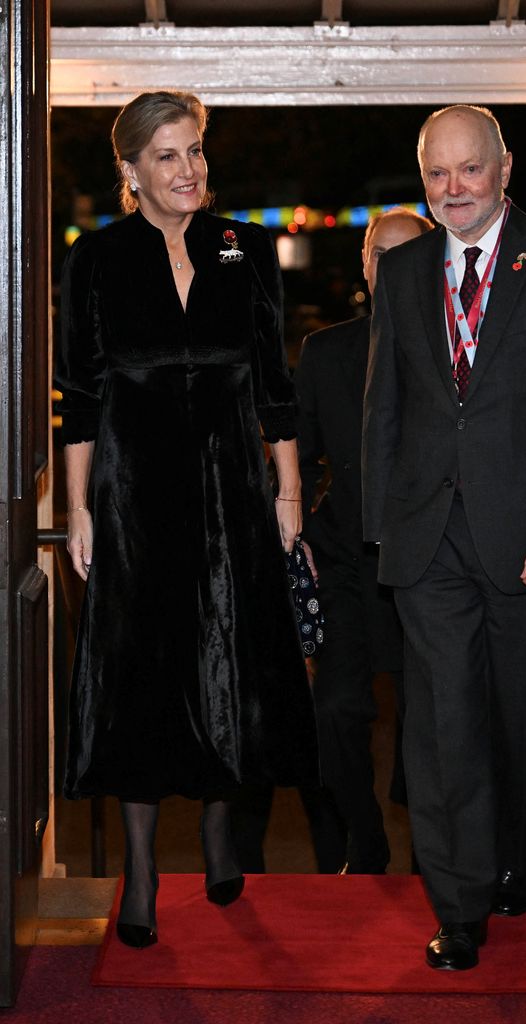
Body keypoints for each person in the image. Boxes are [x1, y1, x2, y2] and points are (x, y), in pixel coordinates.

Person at [55, 90, 319, 949]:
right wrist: (76, 509)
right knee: (140, 670)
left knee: (228, 664)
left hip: (232, 490)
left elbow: (272, 381)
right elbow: (83, 396)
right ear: (130, 169)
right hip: (134, 494)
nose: (188, 170)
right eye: (166, 155)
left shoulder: (240, 246)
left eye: (195, 151)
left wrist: (285, 495)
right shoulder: (96, 259)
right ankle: (138, 868)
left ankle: (216, 828)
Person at [362, 104, 526, 970]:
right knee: (440, 729)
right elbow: (382, 409)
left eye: (469, 169)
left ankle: (513, 851)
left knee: (523, 721)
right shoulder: (403, 273)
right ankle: (458, 900)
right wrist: (381, 532)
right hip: (431, 542)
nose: (453, 189)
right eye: (437, 173)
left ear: (504, 167)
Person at [295, 208, 433, 873]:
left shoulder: (453, 352)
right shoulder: (325, 352)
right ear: (364, 262)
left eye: (407, 253)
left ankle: (430, 849)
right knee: (333, 715)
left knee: (430, 726)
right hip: (345, 562)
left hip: (428, 569)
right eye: (380, 253)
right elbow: (296, 458)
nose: (391, 266)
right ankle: (366, 841)